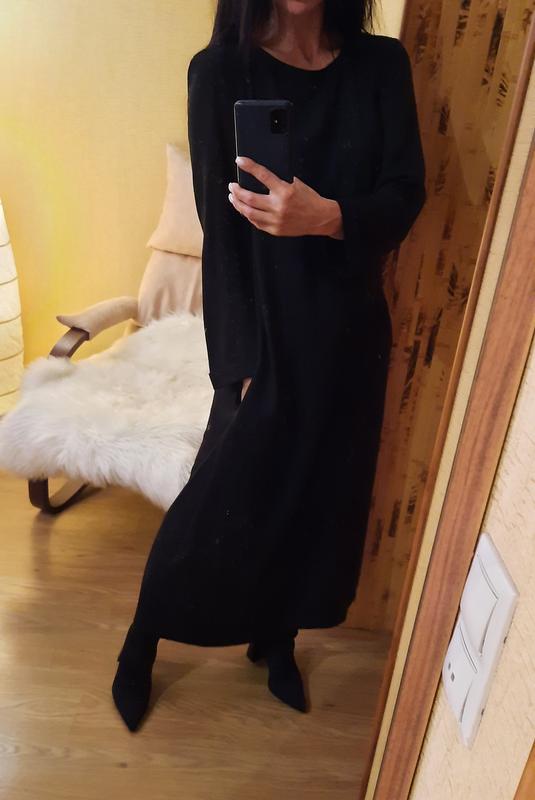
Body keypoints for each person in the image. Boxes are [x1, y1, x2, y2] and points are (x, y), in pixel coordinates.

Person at [112, 0, 426, 732]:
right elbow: (221, 241)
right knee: (218, 498)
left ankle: (276, 639)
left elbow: (405, 192)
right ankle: (143, 636)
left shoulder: (380, 66)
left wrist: (329, 217)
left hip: (349, 332)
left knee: (316, 499)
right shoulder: (220, 73)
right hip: (263, 333)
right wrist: (236, 363)